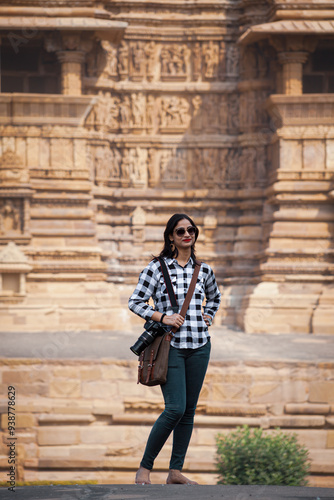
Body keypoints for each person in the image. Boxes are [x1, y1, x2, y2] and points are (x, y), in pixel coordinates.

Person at [128, 213, 221, 485]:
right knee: (175, 409)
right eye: (180, 231)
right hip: (171, 347)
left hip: (200, 346)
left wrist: (208, 317)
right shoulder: (156, 268)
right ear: (171, 236)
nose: (186, 235)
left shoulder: (203, 270)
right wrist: (161, 317)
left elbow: (214, 298)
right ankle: (144, 468)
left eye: (191, 230)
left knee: (189, 411)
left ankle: (175, 471)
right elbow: (135, 302)